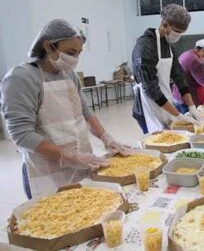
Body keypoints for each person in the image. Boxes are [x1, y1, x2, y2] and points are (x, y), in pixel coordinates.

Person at [0, 19, 131, 199]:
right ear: (48, 46)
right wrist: (66, 156)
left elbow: (85, 112)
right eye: (70, 52)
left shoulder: (69, 75)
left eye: (78, 53)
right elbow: (21, 135)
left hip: (82, 162)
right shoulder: (22, 78)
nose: (75, 58)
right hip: (46, 169)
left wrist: (106, 138)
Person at [132, 4, 201, 134]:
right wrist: (179, 115)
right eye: (176, 31)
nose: (178, 35)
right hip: (148, 106)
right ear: (164, 24)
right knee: (158, 141)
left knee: (171, 137)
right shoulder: (144, 47)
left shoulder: (168, 47)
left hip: (164, 103)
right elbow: (151, 89)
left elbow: (179, 76)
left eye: (181, 33)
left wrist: (192, 107)